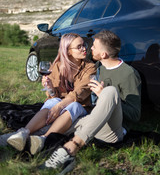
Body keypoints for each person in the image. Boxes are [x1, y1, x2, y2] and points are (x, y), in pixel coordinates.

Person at [41, 30, 141, 173]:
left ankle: (72, 147)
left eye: (93, 46)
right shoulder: (99, 68)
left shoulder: (128, 74)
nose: (89, 48)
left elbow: (135, 115)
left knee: (110, 91)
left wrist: (103, 96)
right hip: (91, 123)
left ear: (104, 54)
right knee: (60, 117)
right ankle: (30, 139)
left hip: (112, 130)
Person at [6, 33, 96, 154]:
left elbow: (79, 93)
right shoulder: (57, 66)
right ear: (68, 51)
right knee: (53, 101)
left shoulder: (90, 67)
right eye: (79, 46)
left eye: (83, 45)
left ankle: (43, 138)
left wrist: (59, 106)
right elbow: (53, 96)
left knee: (74, 105)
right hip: (58, 103)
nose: (84, 48)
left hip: (80, 106)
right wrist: (50, 88)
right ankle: (23, 132)